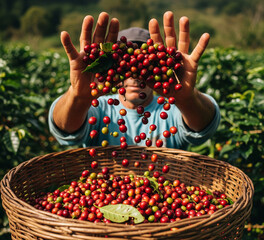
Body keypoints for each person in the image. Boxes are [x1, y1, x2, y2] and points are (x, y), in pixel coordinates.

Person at [48, 11, 220, 149]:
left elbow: (203, 128)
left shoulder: (170, 110)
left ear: (157, 68)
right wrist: (79, 98)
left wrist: (187, 100)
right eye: (125, 66)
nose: (135, 74)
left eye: (142, 67)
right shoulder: (100, 107)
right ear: (112, 68)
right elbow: (66, 131)